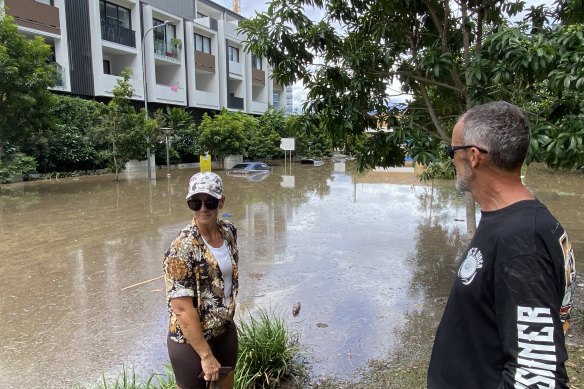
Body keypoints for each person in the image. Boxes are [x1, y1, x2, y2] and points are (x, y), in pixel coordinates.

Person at [427, 101, 577, 388]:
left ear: (473, 156)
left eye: (452, 151)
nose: (451, 160)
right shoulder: (511, 221)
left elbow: (537, 376)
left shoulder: (522, 242)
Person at [164, 172, 239, 389]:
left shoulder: (229, 232)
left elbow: (227, 282)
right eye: (195, 203)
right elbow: (181, 309)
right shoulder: (181, 249)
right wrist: (206, 356)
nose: (203, 208)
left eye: (210, 201)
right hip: (190, 341)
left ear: (221, 202)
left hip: (224, 330)